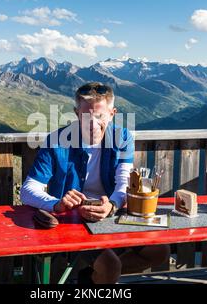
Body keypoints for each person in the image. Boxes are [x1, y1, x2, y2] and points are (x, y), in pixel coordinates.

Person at [20, 82, 170, 284]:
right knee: (110, 266)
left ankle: (91, 279)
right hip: (72, 222)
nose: (92, 123)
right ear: (76, 113)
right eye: (86, 116)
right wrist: (57, 204)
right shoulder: (55, 140)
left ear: (112, 113)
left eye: (99, 116)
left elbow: (124, 183)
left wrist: (112, 205)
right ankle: (101, 276)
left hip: (111, 215)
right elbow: (28, 191)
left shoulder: (123, 138)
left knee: (160, 251)